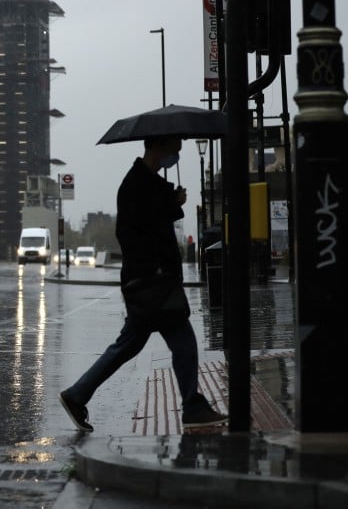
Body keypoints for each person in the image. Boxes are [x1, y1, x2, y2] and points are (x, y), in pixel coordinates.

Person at [59, 135, 227, 432]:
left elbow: (153, 219)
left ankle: (77, 395)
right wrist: (169, 204)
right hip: (151, 282)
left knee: (129, 345)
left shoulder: (145, 182)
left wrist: (172, 202)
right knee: (182, 341)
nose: (177, 154)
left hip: (149, 283)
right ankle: (192, 406)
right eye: (175, 148)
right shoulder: (137, 183)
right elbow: (137, 230)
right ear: (159, 147)